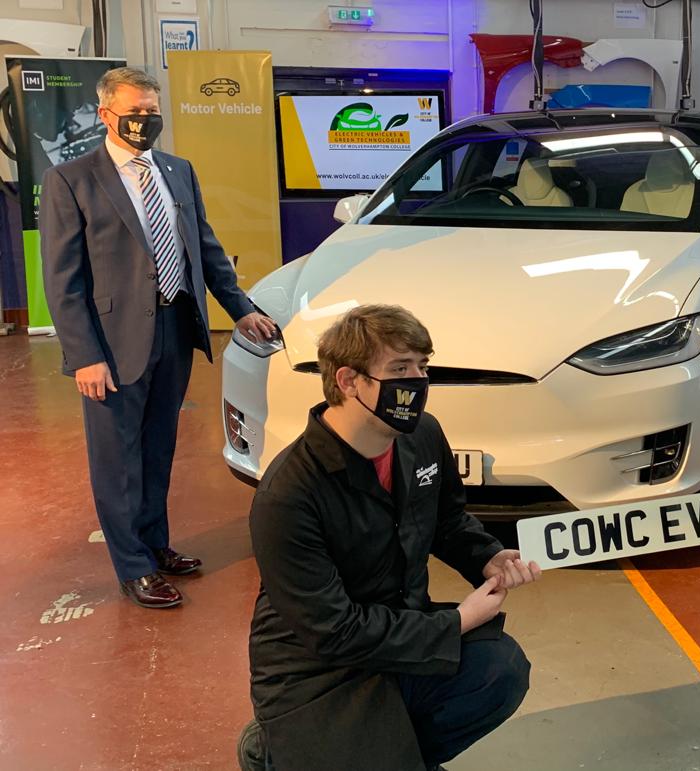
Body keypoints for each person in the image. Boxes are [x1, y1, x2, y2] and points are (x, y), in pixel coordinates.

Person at [239, 304, 540, 771]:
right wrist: (456, 622)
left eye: (423, 366)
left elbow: (447, 521)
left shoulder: (422, 435)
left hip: (400, 633)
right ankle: (270, 749)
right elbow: (334, 632)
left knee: (500, 671)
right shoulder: (289, 494)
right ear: (348, 381)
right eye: (400, 369)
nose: (417, 382)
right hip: (318, 670)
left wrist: (488, 557)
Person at [40, 67, 276, 608]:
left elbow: (203, 246)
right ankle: (133, 567)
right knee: (117, 459)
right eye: (135, 112)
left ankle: (154, 543)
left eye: (152, 112)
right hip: (111, 342)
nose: (145, 121)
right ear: (106, 115)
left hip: (174, 327)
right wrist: (84, 355)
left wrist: (239, 309)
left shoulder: (177, 170)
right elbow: (62, 280)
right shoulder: (70, 180)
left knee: (157, 447)